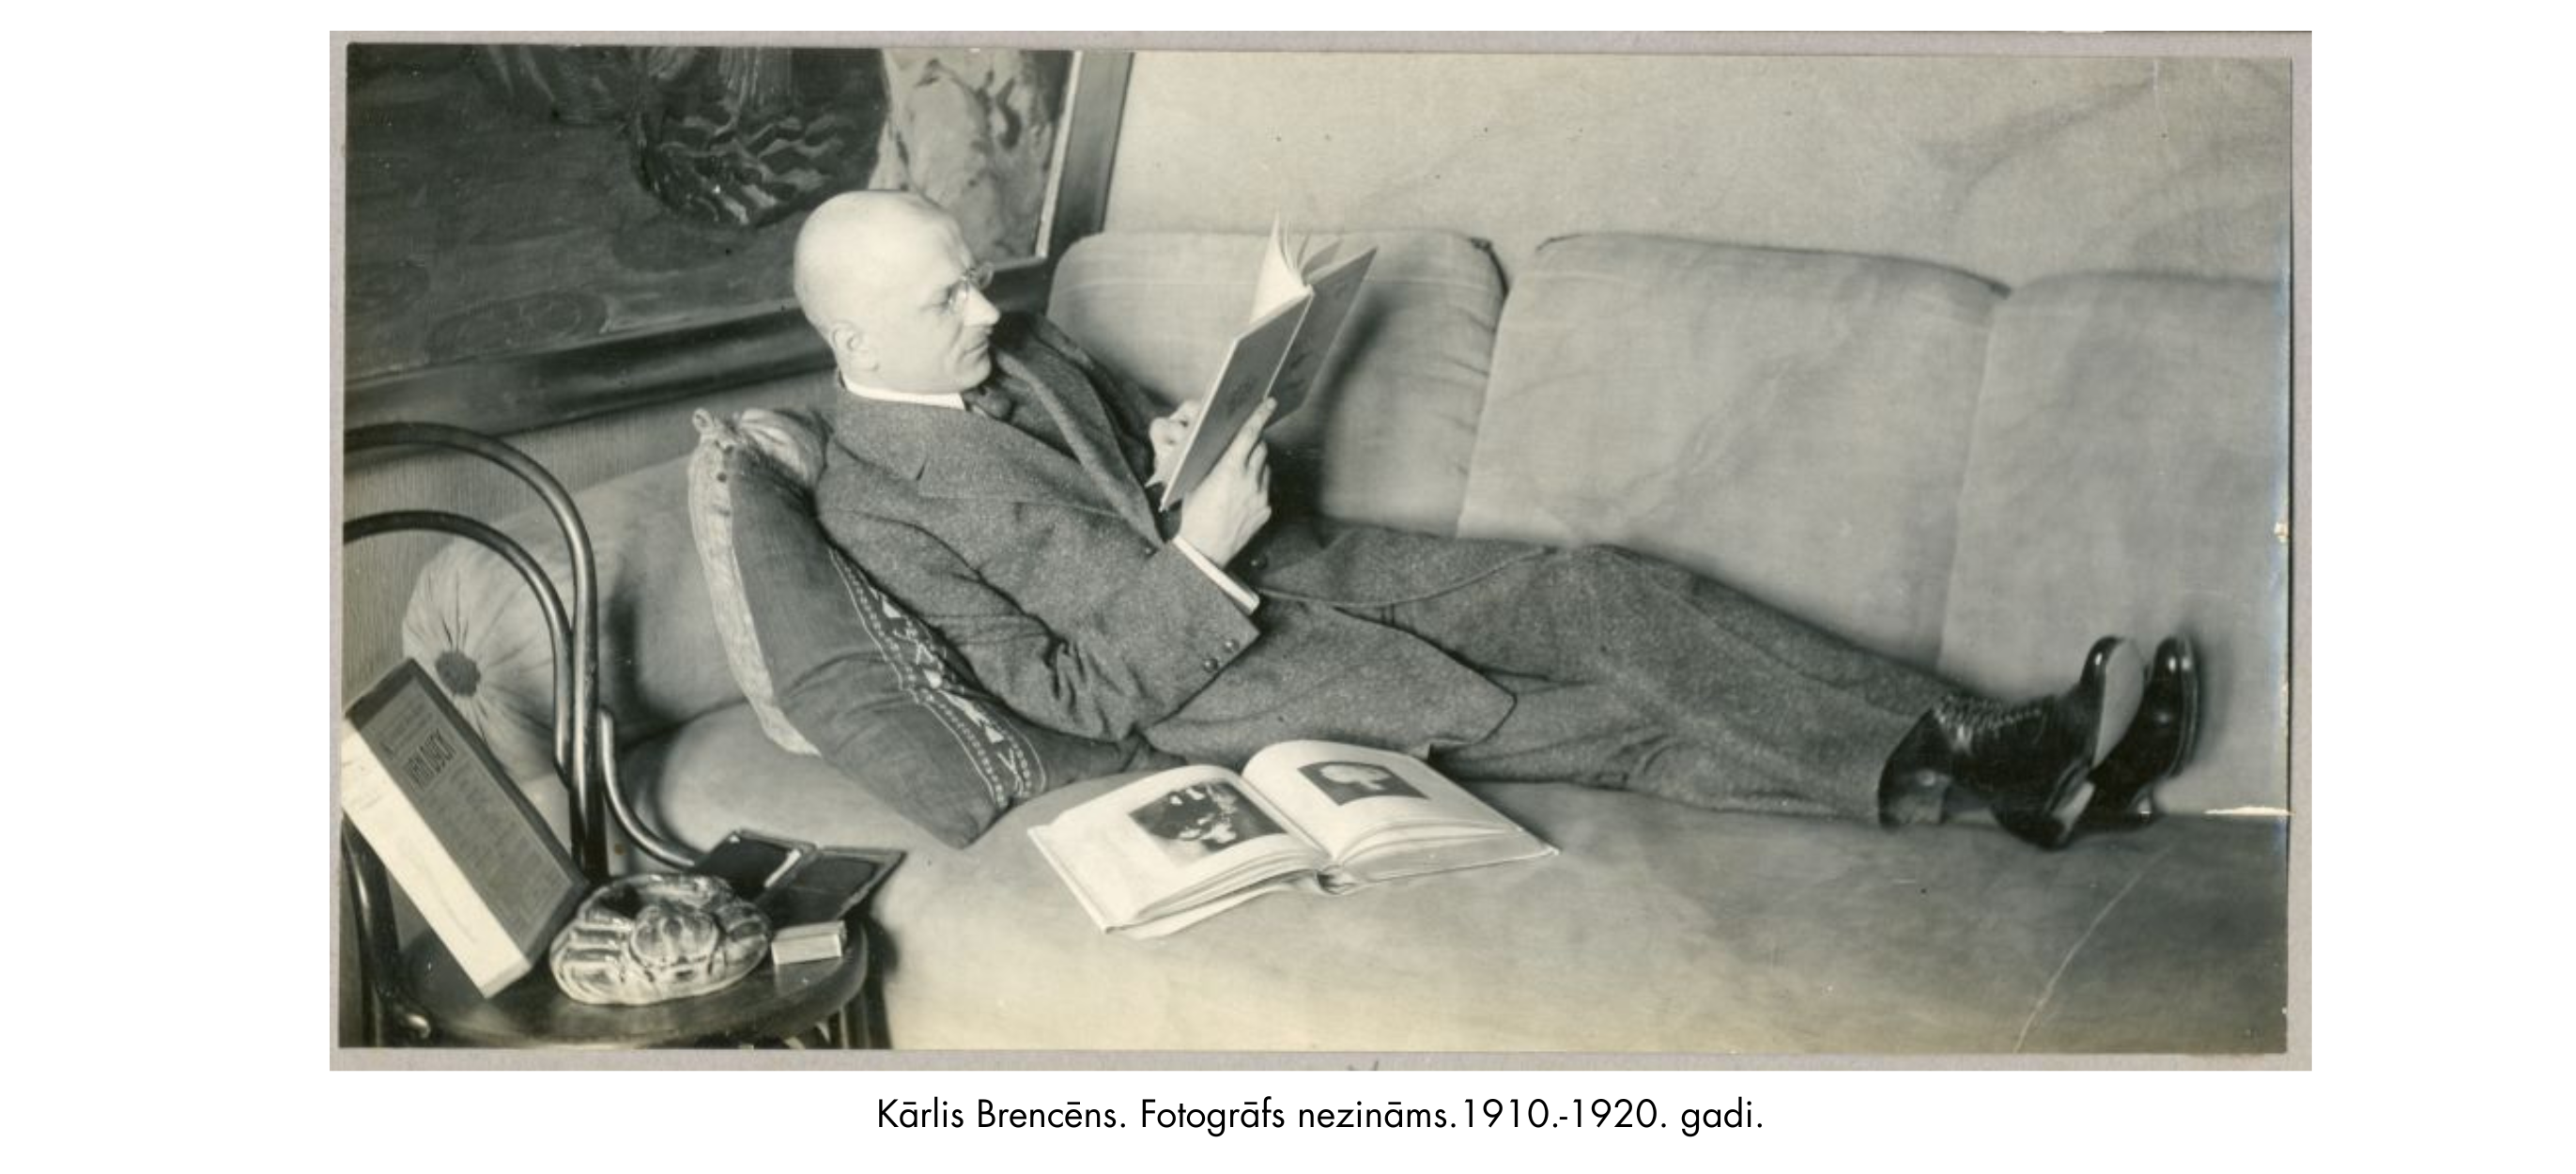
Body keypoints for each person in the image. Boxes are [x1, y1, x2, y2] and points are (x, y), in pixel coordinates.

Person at [797, 192, 2200, 850]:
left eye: (973, 276)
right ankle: (2013, 764)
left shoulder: (1018, 346)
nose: (988, 307)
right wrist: (1200, 553)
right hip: (1236, 685)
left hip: (1321, 569)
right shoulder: (873, 503)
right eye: (945, 299)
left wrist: (1176, 441)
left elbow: (1124, 457)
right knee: (1621, 722)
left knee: (1604, 590)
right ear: (857, 337)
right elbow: (1069, 696)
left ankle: (2014, 755)